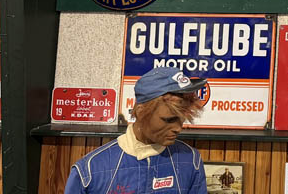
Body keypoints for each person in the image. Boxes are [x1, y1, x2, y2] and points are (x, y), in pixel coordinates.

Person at [65, 67, 208, 194]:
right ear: (141, 112)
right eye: (168, 119)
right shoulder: (90, 171)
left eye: (182, 119)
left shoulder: (190, 161)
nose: (178, 128)